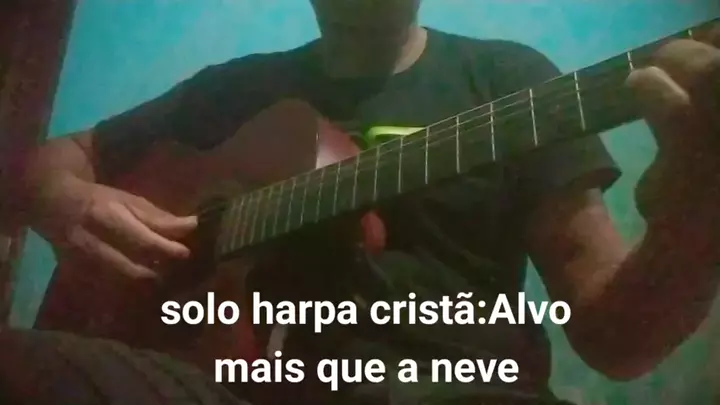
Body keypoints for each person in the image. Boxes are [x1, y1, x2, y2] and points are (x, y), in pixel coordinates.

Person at [2, 0, 719, 403]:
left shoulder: (510, 79)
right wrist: (62, 200)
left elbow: (616, 341)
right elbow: (54, 159)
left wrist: (695, 219)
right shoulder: (230, 89)